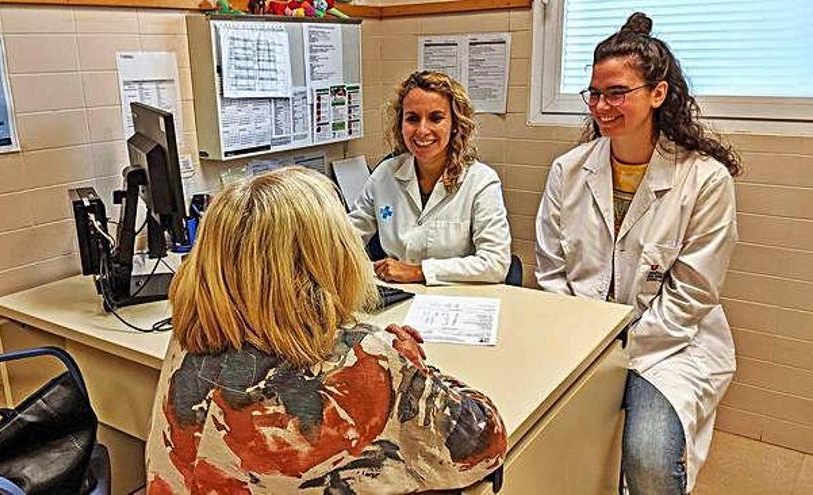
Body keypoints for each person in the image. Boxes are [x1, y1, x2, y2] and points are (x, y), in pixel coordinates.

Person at [146, 167, 506, 494]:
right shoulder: (365, 361)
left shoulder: (189, 337)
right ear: (328, 259)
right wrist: (412, 370)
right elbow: (486, 441)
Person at [534, 12, 741, 495]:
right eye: (595, 93)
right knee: (541, 439)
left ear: (658, 93)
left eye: (617, 93)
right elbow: (551, 271)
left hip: (667, 348)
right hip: (577, 337)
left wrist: (618, 350)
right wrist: (585, 340)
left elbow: (692, 294)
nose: (602, 106)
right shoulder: (568, 171)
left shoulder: (704, 179)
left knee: (649, 460)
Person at [348, 70, 511, 285]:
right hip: (397, 295)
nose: (422, 130)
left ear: (455, 125)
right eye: (412, 119)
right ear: (401, 124)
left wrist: (418, 272)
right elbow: (347, 238)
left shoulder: (480, 181)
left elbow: (495, 263)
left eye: (436, 118)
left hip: (457, 299)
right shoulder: (385, 175)